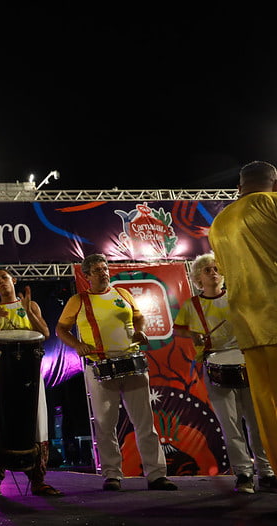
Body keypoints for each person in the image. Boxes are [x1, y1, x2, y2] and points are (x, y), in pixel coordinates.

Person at [55, 253, 177, 492]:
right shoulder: (78, 300)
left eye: (105, 268)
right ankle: (112, 475)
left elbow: (139, 317)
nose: (104, 273)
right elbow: (60, 329)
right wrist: (78, 345)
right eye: (98, 270)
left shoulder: (122, 294)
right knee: (105, 424)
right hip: (100, 365)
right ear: (87, 275)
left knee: (144, 421)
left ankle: (156, 475)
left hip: (131, 362)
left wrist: (140, 331)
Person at [173, 253, 275, 493]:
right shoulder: (192, 305)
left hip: (247, 361)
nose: (213, 272)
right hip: (214, 363)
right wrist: (194, 335)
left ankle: (267, 471)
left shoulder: (237, 299)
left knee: (256, 421)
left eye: (216, 268)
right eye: (207, 270)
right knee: (230, 424)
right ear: (198, 278)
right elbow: (178, 331)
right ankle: (243, 473)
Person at [0, 269, 63, 498]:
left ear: (13, 281)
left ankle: (38, 480)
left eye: (4, 278)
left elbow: (45, 333)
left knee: (35, 421)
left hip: (29, 372)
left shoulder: (31, 306)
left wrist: (29, 310)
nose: (0, 282)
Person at [208, 160, 277, 472]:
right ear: (272, 183)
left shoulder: (218, 224)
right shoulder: (269, 204)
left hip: (249, 332)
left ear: (239, 185)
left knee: (269, 410)